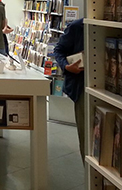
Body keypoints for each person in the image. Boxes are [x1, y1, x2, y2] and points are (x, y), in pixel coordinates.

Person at [53, 18, 85, 162]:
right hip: (82, 86)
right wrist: (66, 66)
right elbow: (58, 50)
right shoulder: (77, 27)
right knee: (86, 135)